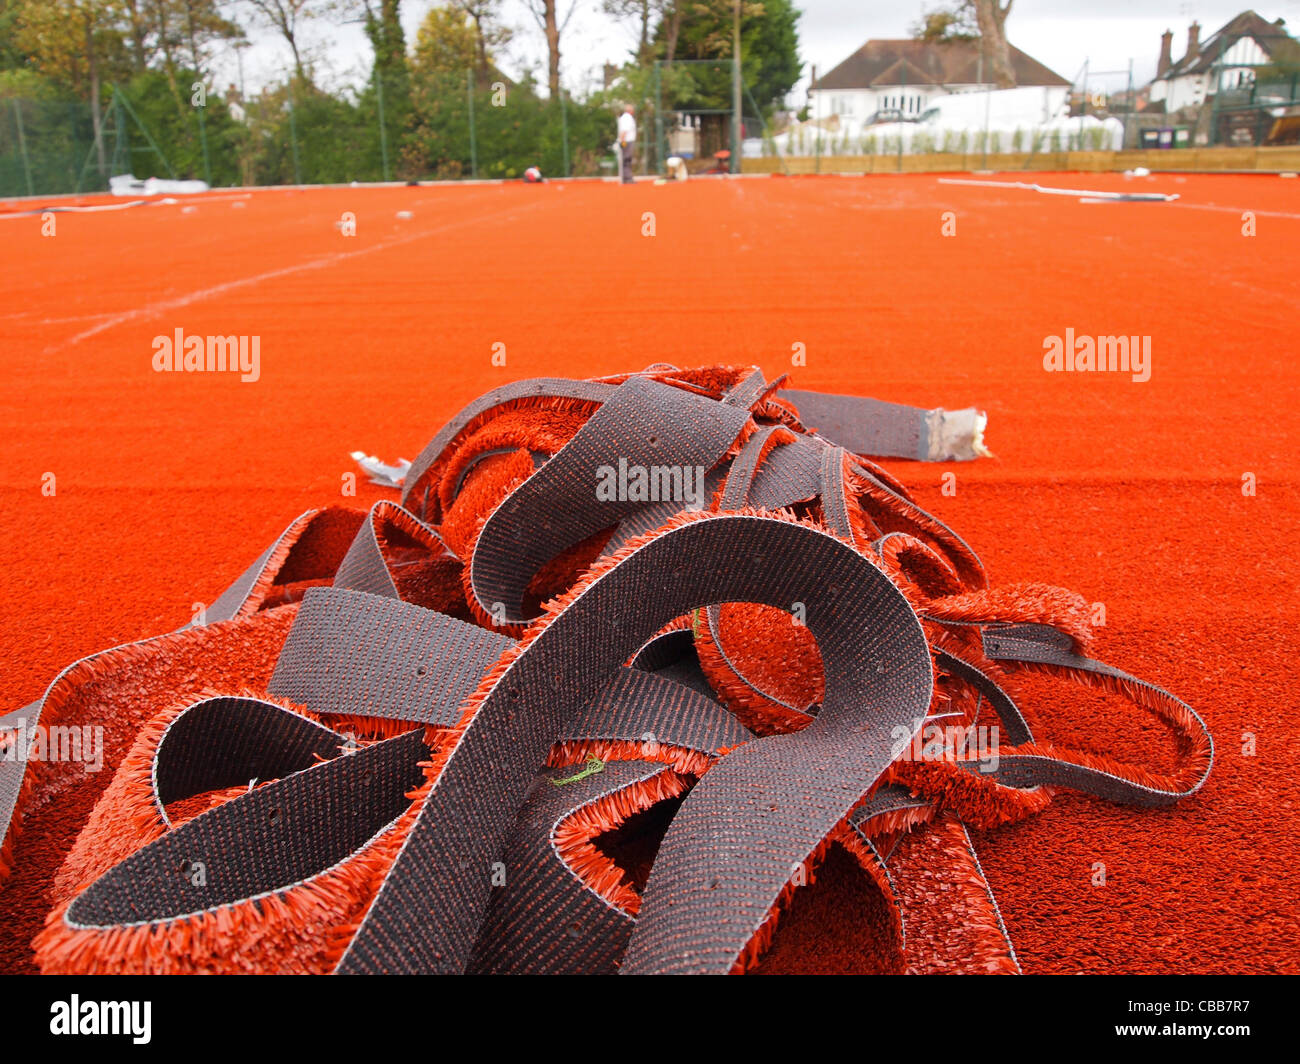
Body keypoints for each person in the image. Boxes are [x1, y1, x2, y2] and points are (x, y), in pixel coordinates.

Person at [617, 104, 636, 184]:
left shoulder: (625, 117)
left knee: (626, 159)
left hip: (626, 141)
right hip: (627, 141)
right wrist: (622, 141)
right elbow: (624, 130)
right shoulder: (627, 118)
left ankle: (627, 177)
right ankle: (627, 178)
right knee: (626, 159)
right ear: (630, 111)